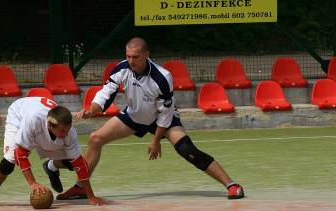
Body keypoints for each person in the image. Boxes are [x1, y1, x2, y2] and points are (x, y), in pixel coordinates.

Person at [56, 37, 244, 200]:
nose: (130, 60)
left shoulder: (162, 77)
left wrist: (156, 141)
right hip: (134, 116)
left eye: (135, 57)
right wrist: (92, 109)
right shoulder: (121, 68)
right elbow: (107, 93)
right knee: (95, 138)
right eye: (128, 56)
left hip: (164, 120)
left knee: (187, 150)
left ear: (146, 55)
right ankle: (81, 187)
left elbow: (164, 113)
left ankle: (232, 185)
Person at [0, 96, 107, 207]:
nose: (66, 134)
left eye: (67, 130)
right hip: (18, 115)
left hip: (41, 115)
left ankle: (51, 166)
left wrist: (91, 196)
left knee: (72, 163)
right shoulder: (33, 121)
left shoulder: (69, 133)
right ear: (50, 126)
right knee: (10, 161)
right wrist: (33, 183)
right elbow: (21, 154)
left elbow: (80, 164)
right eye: (63, 131)